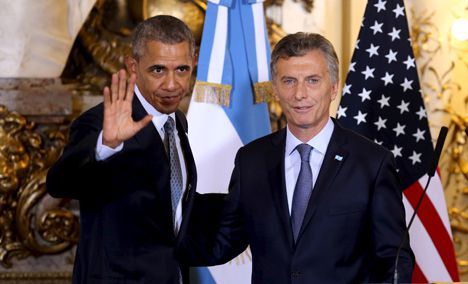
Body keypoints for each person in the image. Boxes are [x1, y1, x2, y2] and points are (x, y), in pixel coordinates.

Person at [179, 32, 415, 283]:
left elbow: (394, 260)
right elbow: (221, 243)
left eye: (312, 80)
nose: (300, 94)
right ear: (275, 90)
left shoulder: (372, 163)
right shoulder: (251, 160)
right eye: (289, 81)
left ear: (333, 87)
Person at [47, 15, 198, 284]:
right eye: (158, 70)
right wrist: (106, 145)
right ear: (133, 66)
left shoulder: (177, 122)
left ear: (194, 63)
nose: (172, 84)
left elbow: (171, 216)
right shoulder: (100, 123)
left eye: (182, 69)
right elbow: (59, 183)